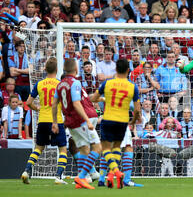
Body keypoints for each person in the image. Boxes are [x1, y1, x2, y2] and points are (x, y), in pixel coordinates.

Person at [90, 58, 141, 189]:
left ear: (116, 69)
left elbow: (94, 99)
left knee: (106, 148)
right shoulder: (132, 86)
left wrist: (100, 97)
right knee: (118, 147)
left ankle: (109, 174)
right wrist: (133, 122)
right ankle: (115, 174)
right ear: (128, 71)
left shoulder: (107, 83)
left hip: (108, 119)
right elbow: (137, 110)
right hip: (122, 121)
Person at [52, 58, 101, 190]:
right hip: (81, 120)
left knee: (84, 149)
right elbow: (76, 103)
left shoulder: (60, 85)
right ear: (76, 69)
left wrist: (55, 122)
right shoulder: (75, 83)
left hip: (69, 122)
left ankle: (84, 178)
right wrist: (87, 120)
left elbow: (54, 104)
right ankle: (83, 175)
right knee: (97, 147)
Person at [21, 58, 69, 185]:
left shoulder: (39, 84)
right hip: (56, 121)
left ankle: (26, 170)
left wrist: (37, 108)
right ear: (57, 69)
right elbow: (65, 104)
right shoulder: (60, 84)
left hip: (42, 120)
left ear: (45, 69)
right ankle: (58, 176)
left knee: (38, 148)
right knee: (63, 149)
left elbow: (28, 103)